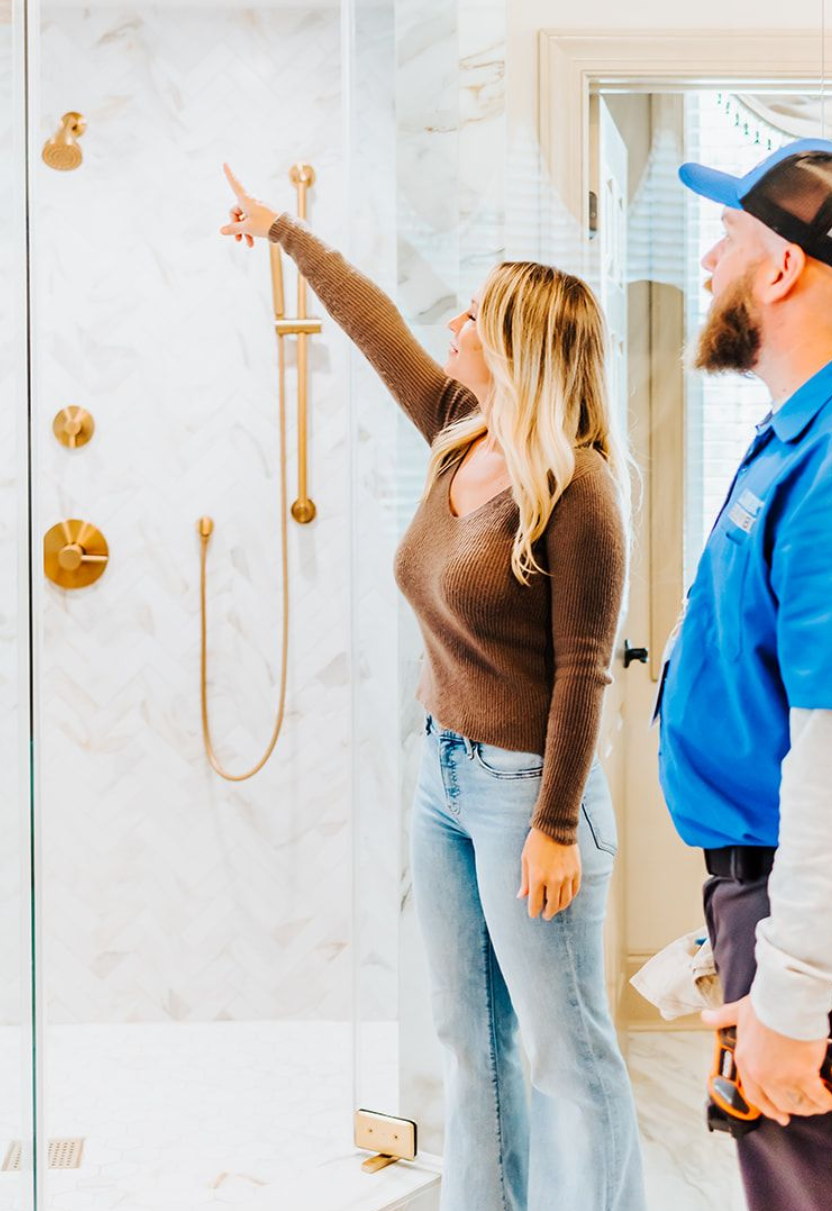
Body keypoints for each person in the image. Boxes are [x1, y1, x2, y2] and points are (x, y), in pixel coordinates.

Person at [219, 165, 645, 1211]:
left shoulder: (578, 490)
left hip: (528, 791)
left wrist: (552, 823)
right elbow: (374, 327)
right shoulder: (464, 429)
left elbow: (584, 668)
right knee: (471, 1040)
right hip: (443, 776)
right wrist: (285, 232)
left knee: (565, 1046)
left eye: (474, 310)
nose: (452, 321)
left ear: (517, 344)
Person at [658, 137, 832, 1209]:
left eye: (727, 237)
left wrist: (794, 993)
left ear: (780, 269)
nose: (708, 261)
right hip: (812, 905)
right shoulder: (820, 425)